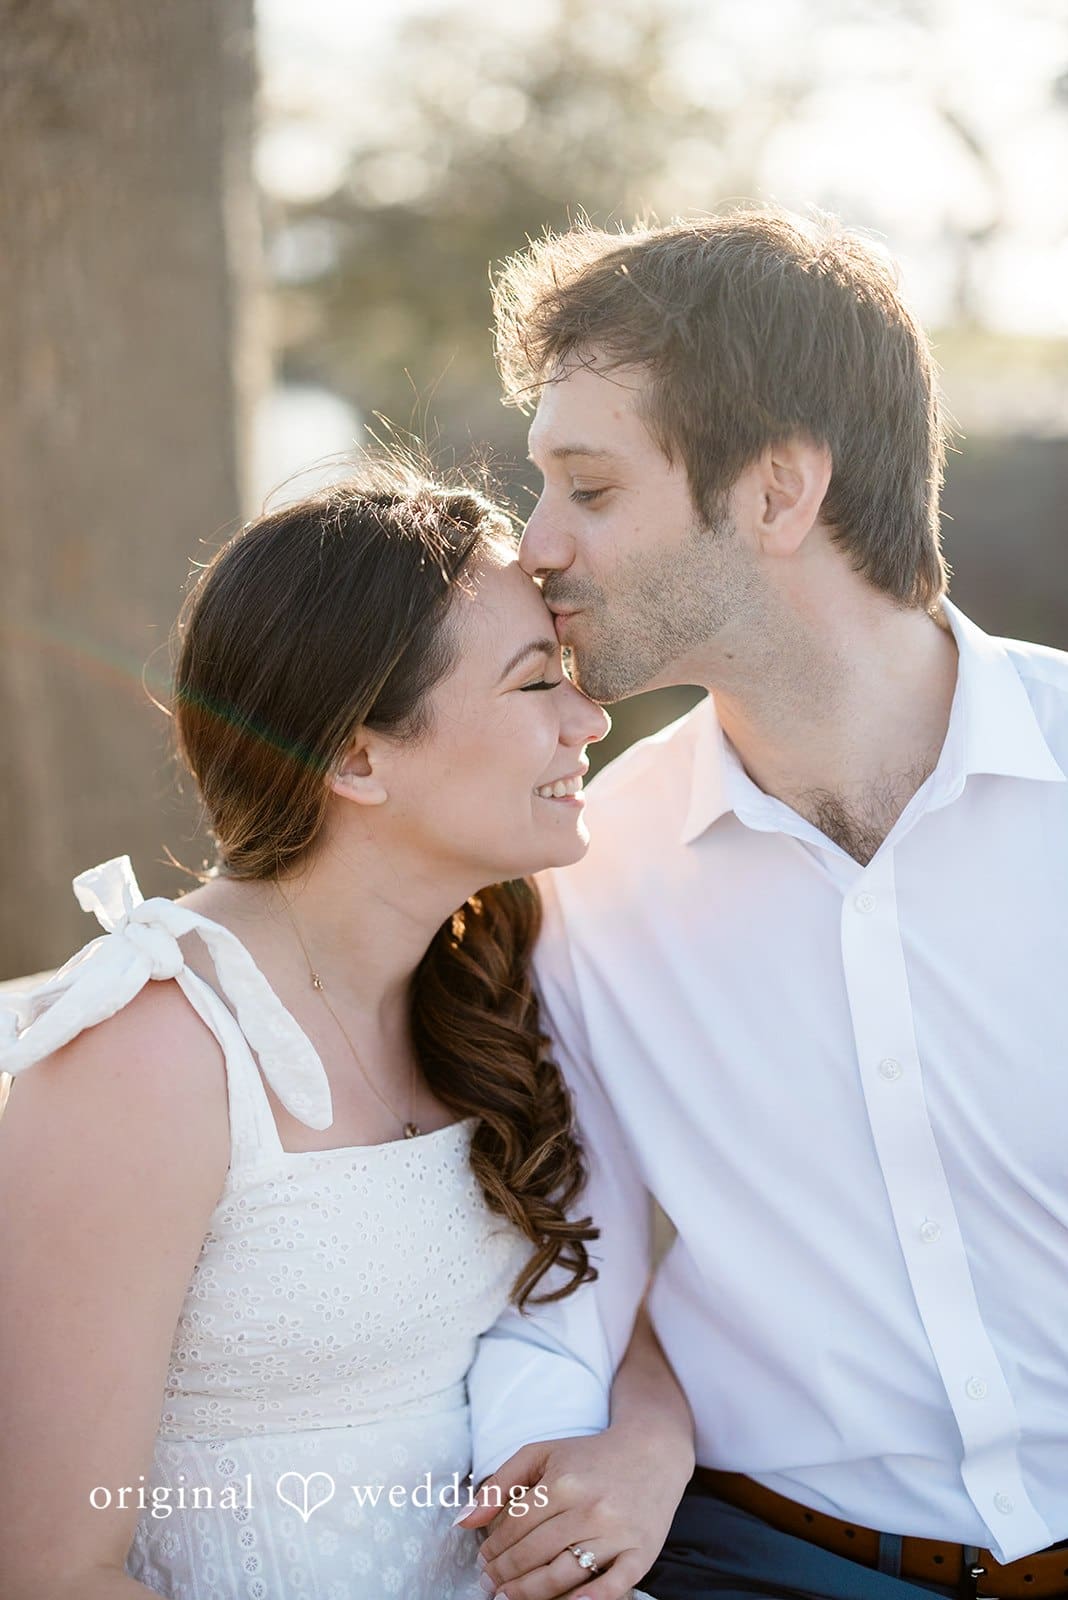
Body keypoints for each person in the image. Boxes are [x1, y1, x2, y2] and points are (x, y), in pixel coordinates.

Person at [464, 208, 1068, 1600]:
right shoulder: (579, 879)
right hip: (772, 1563)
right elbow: (584, 1255)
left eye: (591, 491)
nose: (534, 548)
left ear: (780, 492)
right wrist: (649, 1422)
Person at [0, 473, 690, 1600]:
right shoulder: (148, 1052)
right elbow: (43, 1568)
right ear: (356, 757)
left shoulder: (498, 977)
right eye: (536, 683)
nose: (590, 718)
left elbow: (664, 1275)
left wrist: (647, 1449)